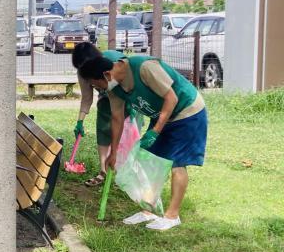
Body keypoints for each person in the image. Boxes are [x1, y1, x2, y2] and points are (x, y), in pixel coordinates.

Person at [78, 54, 208, 231]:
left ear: (106, 75)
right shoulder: (114, 88)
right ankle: (149, 211)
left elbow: (172, 98)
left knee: (177, 163)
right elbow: (117, 118)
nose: (98, 90)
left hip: (187, 111)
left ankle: (172, 216)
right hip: (162, 115)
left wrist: (155, 131)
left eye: (96, 85)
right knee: (147, 162)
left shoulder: (145, 68)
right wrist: (113, 153)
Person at [71, 43, 126, 187]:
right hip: (105, 98)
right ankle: (103, 170)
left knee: (125, 132)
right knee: (103, 129)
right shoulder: (82, 71)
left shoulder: (112, 61)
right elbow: (87, 98)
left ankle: (125, 172)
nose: (84, 71)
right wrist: (80, 121)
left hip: (125, 98)